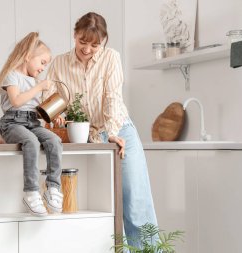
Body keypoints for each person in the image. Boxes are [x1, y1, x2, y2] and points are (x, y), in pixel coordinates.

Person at [46, 12, 158, 248]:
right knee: (102, 207)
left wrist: (113, 132)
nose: (87, 49)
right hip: (83, 136)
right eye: (82, 42)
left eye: (95, 45)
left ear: (104, 42)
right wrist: (58, 116)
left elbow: (113, 98)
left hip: (119, 132)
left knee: (135, 203)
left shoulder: (111, 58)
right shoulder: (59, 63)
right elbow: (52, 99)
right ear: (74, 35)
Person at [0, 32, 63, 217]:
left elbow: (34, 108)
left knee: (54, 140)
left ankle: (53, 188)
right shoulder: (12, 76)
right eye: (42, 62)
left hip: (32, 121)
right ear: (28, 56)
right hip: (12, 122)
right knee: (31, 141)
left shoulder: (33, 81)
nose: (43, 68)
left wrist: (54, 117)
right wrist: (38, 87)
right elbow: (16, 101)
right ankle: (31, 192)